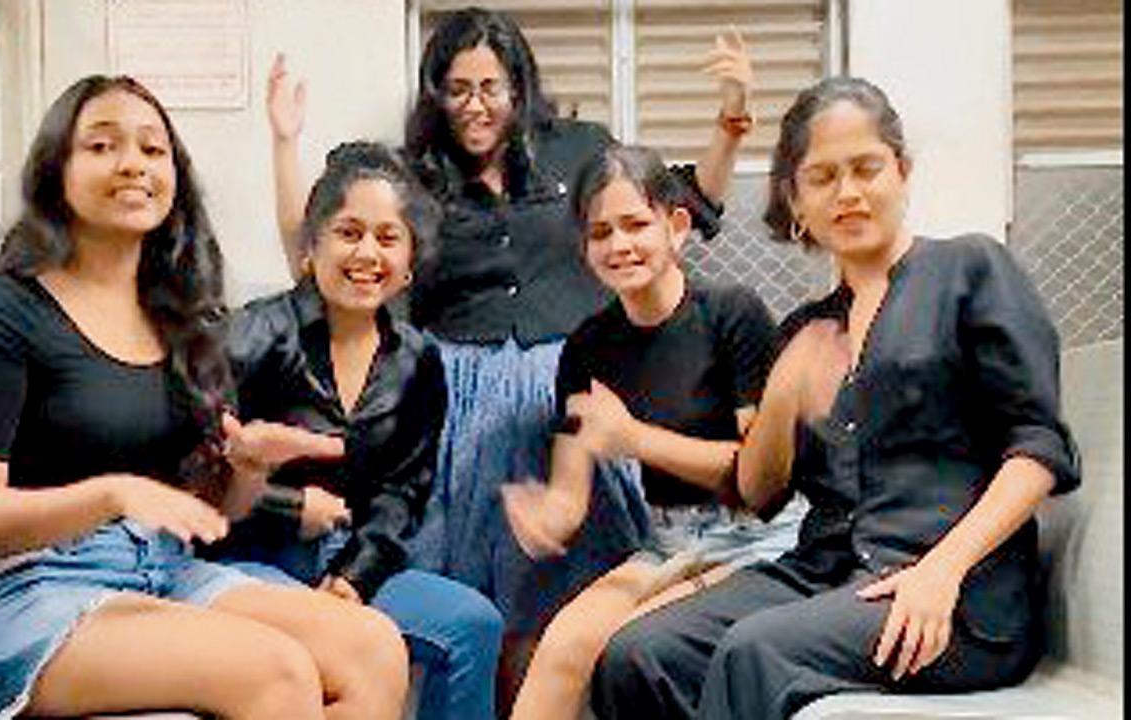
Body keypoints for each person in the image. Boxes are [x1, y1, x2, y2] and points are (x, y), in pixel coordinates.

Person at [265, 7, 758, 691]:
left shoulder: (580, 149)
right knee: (473, 598)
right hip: (458, 405)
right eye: (458, 89)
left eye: (490, 87)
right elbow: (311, 253)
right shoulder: (413, 177)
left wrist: (730, 123)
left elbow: (688, 205)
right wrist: (284, 143)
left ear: (519, 87)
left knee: (571, 595)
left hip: (568, 394)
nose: (476, 106)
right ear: (435, 93)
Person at [589, 76, 1082, 720]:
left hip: (951, 594)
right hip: (823, 575)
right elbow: (760, 494)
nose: (847, 192)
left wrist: (943, 569)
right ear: (796, 198)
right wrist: (785, 394)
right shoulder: (806, 328)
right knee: (638, 652)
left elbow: (1038, 447)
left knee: (755, 653)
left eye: (865, 168)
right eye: (821, 177)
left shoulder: (970, 269)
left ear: (901, 172)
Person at [0, 75, 411, 719]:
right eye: (102, 145)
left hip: (162, 569)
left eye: (153, 150)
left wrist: (246, 469)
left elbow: (218, 510)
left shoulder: (178, 319)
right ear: (58, 169)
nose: (133, 163)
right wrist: (108, 496)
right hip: (29, 589)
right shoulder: (7, 312)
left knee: (373, 648)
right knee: (276, 674)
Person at [498, 144, 807, 720]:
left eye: (636, 224)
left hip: (758, 539)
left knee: (632, 647)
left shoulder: (731, 314)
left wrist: (635, 438)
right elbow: (570, 496)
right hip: (667, 539)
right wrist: (544, 515)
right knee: (562, 646)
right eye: (600, 232)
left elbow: (759, 477)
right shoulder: (587, 346)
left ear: (677, 226)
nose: (619, 245)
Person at [206, 141, 504, 720]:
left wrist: (355, 576)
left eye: (388, 238)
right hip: (247, 562)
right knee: (333, 652)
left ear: (410, 261)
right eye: (349, 232)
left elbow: (404, 490)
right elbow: (191, 466)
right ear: (310, 248)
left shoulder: (418, 359)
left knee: (473, 624)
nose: (368, 252)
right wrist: (289, 506)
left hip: (350, 562)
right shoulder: (250, 336)